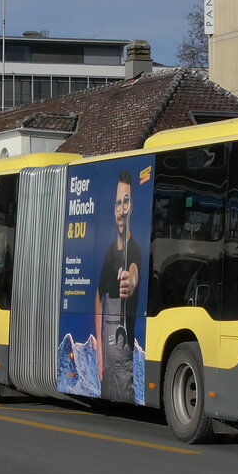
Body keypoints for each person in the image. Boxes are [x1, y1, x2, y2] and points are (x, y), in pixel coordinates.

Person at [94, 170, 142, 402]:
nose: (121, 210)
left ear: (131, 206)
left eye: (125, 202)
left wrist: (129, 283)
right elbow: (98, 296)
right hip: (107, 365)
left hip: (124, 365)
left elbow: (133, 273)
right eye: (117, 204)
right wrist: (100, 355)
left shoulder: (136, 250)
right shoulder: (109, 252)